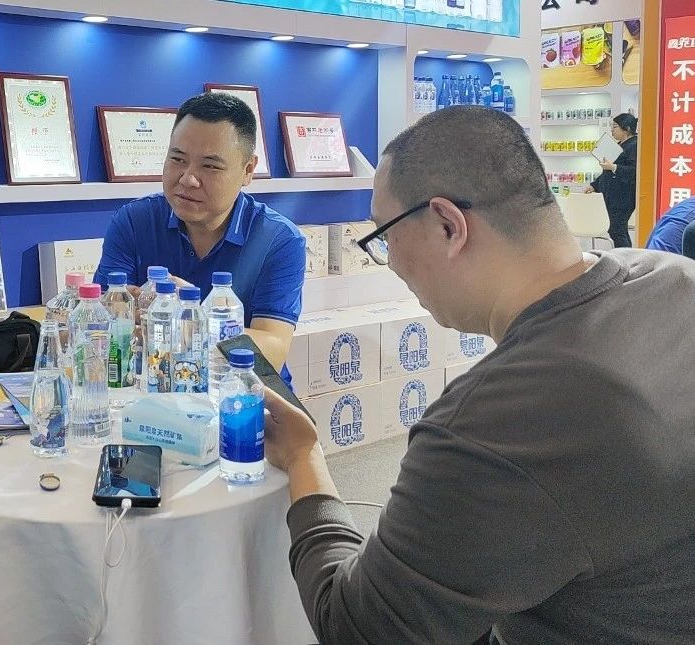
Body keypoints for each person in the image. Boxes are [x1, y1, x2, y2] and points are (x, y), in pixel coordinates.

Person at [266, 106, 695, 643]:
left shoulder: (494, 424)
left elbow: (357, 626)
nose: (390, 261)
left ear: (448, 225)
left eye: (385, 236)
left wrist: (303, 458)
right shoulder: (676, 276)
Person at [93, 92, 305, 370]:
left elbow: (273, 351)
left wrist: (193, 316)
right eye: (178, 159)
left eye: (210, 166)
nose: (188, 179)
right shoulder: (134, 221)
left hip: (240, 389)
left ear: (248, 170)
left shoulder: (278, 239)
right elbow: (100, 324)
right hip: (154, 384)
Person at [584, 112, 638, 248]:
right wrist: (594, 185)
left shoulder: (634, 145)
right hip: (613, 196)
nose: (612, 130)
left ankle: (625, 256)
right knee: (616, 229)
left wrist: (614, 167)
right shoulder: (619, 145)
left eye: (615, 127)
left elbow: (634, 171)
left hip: (623, 196)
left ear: (627, 129)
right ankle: (625, 255)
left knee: (617, 229)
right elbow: (607, 172)